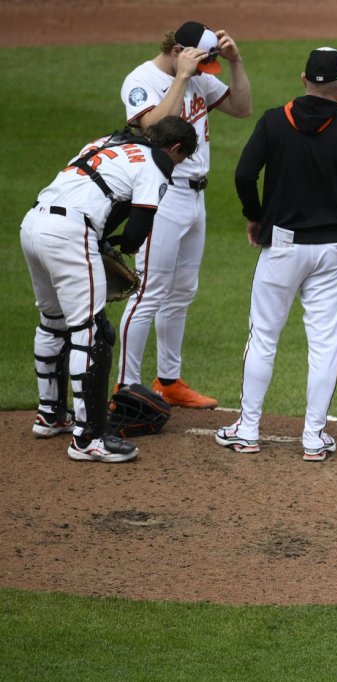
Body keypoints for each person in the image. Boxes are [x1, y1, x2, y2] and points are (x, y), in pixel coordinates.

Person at [217, 46, 337, 461]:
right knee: (324, 343)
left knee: (263, 337)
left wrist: (255, 217)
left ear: (303, 78)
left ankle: (248, 429)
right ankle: (314, 437)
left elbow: (244, 175)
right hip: (332, 249)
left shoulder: (274, 121)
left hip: (282, 246)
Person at [20, 117, 199, 462]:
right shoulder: (155, 164)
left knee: (53, 322)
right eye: (181, 159)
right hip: (69, 233)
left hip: (32, 224)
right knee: (93, 333)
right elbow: (136, 233)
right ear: (176, 149)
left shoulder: (109, 142)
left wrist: (101, 241)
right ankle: (89, 439)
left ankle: (50, 414)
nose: (177, 165)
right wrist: (115, 246)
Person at [116, 20, 252, 408]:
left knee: (182, 292)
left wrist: (236, 62)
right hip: (161, 194)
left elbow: (242, 108)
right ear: (178, 52)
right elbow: (155, 127)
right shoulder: (141, 80)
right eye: (199, 63)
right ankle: (124, 387)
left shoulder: (198, 78)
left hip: (195, 197)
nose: (204, 72)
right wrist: (182, 78)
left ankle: (169, 381)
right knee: (148, 291)